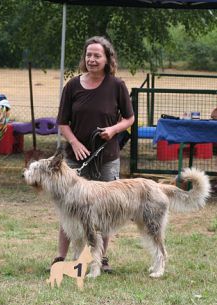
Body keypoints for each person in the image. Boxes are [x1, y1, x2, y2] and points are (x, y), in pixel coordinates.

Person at [55, 36, 135, 272]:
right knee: (69, 208)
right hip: (75, 158)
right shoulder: (72, 86)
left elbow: (129, 118)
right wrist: (75, 143)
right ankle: (61, 257)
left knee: (107, 210)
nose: (92, 59)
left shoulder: (117, 85)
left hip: (107, 157)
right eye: (88, 55)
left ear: (107, 58)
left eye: (97, 55)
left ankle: (101, 258)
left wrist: (113, 130)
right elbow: (62, 122)